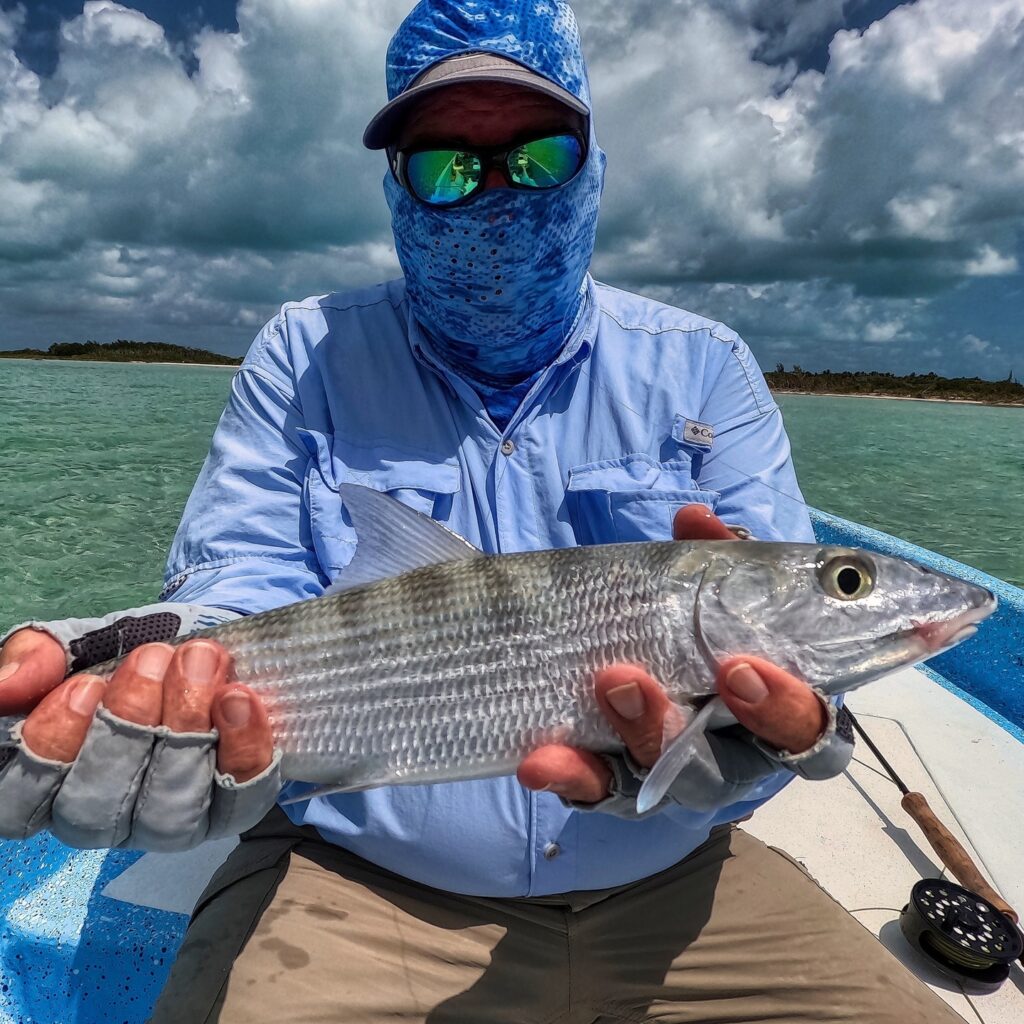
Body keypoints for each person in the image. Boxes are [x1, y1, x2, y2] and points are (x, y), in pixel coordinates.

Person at [0, 3, 966, 1022]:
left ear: (592, 166)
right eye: (448, 167)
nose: (496, 192)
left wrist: (772, 738)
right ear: (394, 187)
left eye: (538, 155)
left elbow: (783, 673)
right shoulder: (304, 353)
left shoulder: (703, 366)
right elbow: (241, 574)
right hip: (357, 882)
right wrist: (164, 659)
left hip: (679, 879)